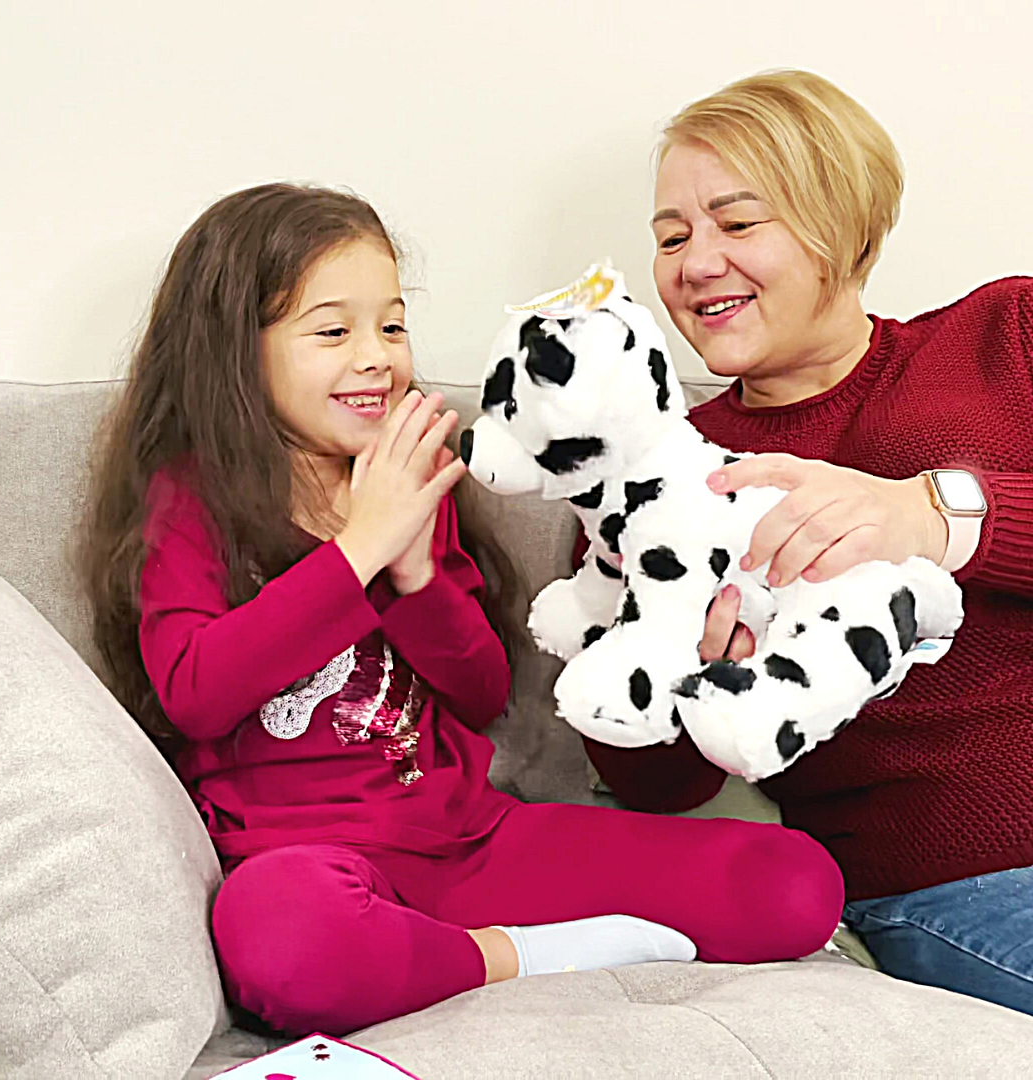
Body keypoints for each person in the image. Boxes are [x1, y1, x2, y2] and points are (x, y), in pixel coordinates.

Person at [80, 182, 842, 1037]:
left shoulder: (413, 477)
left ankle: (438, 948)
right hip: (309, 861)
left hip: (470, 839)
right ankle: (519, 958)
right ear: (233, 352)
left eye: (393, 325)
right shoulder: (191, 496)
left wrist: (413, 575)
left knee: (793, 883)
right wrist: (357, 552)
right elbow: (193, 689)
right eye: (333, 330)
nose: (377, 356)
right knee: (284, 941)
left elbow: (480, 694)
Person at [583, 69, 1033, 1016]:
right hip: (958, 887)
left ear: (837, 223)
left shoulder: (1006, 335)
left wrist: (940, 516)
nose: (694, 262)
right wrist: (679, 671)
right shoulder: (671, 477)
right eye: (672, 236)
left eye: (737, 223)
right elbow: (653, 783)